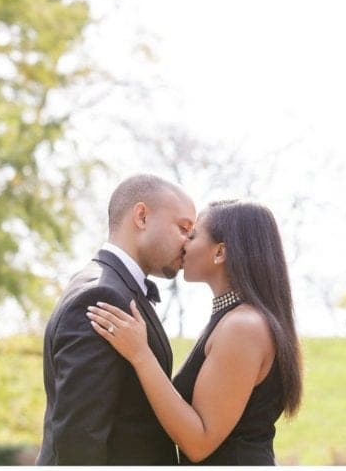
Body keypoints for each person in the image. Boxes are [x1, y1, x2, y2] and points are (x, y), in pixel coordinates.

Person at [87, 199, 302, 465]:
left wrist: (141, 355)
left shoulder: (243, 327)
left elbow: (199, 442)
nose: (183, 243)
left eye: (193, 235)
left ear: (220, 252)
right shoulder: (234, 320)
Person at [36, 174, 196, 465]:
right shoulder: (101, 295)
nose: (188, 243)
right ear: (142, 216)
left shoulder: (114, 288)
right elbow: (78, 437)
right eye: (183, 228)